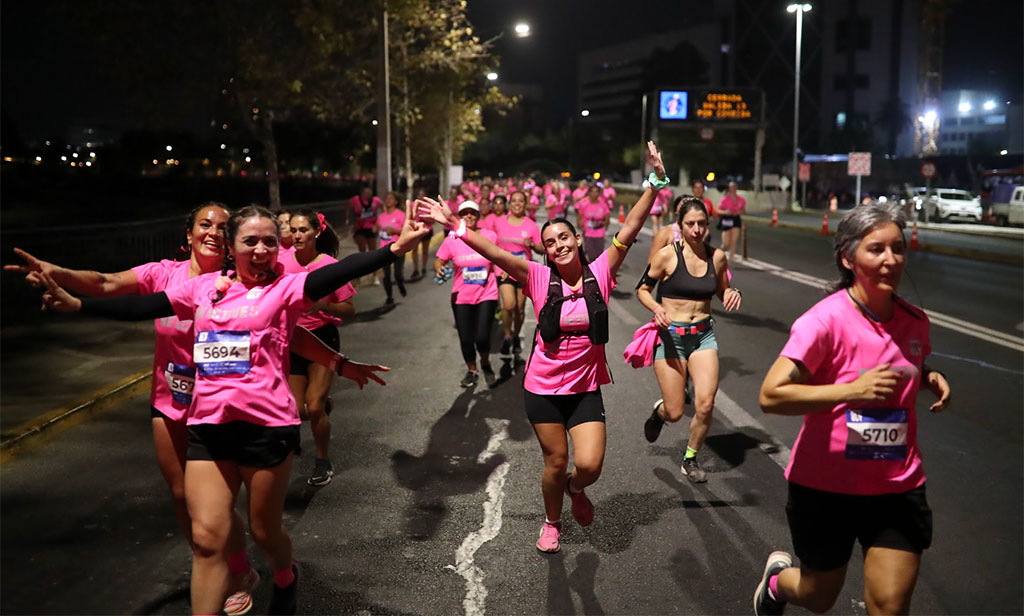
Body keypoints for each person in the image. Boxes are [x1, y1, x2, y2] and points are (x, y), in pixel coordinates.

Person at [39, 205, 426, 615]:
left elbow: (339, 272)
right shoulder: (203, 288)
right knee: (207, 540)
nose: (260, 249)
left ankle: (283, 574)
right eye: (250, 241)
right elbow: (142, 306)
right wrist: (79, 305)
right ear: (233, 246)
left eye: (269, 242)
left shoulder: (286, 289)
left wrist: (394, 249)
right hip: (209, 427)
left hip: (267, 428)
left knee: (263, 530)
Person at [417, 141, 668, 554]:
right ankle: (552, 523)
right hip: (543, 388)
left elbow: (630, 230)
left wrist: (655, 185)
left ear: (577, 240)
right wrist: (456, 226)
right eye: (550, 242)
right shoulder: (536, 276)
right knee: (554, 461)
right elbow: (495, 251)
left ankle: (576, 490)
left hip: (584, 387)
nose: (559, 245)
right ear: (546, 250)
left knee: (588, 465)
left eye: (564, 237)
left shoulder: (601, 271)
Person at [752, 202, 950, 616]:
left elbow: (904, 357)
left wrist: (928, 376)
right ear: (849, 257)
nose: (891, 259)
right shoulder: (824, 322)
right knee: (818, 596)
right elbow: (771, 395)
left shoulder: (916, 322)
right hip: (825, 489)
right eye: (876, 249)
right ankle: (777, 584)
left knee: (889, 608)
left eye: (898, 248)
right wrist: (850, 389)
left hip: (896, 485)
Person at [636, 198, 742, 483]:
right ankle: (659, 413)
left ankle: (690, 458)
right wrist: (657, 308)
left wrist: (732, 293)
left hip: (703, 337)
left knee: (705, 404)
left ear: (708, 225)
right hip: (671, 338)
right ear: (679, 225)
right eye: (690, 224)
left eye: (701, 224)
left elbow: (722, 289)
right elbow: (643, 289)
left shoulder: (716, 257)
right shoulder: (667, 256)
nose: (696, 230)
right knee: (675, 411)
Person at [281, 209, 356, 487]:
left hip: (323, 338)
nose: (297, 235)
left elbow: (350, 309)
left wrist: (324, 305)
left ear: (316, 233)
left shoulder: (328, 266)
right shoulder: (281, 263)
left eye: (303, 230)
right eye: (293, 230)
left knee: (313, 408)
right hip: (291, 339)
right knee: (296, 411)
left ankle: (323, 461)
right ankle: (324, 402)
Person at [433, 200, 499, 387]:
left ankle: (485, 363)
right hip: (461, 297)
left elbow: (498, 260)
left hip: (487, 294)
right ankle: (472, 370)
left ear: (478, 216)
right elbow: (439, 260)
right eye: (464, 213)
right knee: (466, 339)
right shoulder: (451, 239)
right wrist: (439, 268)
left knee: (482, 337)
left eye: (472, 213)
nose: (468, 216)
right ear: (459, 217)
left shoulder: (490, 236)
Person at [492, 190, 544, 356]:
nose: (517, 203)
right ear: (510, 203)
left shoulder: (531, 225)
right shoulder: (499, 222)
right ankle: (507, 335)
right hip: (504, 271)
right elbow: (490, 244)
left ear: (525, 203)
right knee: (509, 304)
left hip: (523, 272)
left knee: (520, 309)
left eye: (520, 201)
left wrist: (533, 245)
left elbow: (541, 248)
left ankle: (515, 336)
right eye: (514, 200)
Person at [374, 192, 407, 304]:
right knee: (386, 275)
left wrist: (394, 231)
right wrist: (375, 229)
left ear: (395, 202)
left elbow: (406, 232)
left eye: (390, 198)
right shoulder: (381, 217)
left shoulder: (400, 215)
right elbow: (378, 229)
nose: (387, 200)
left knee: (397, 274)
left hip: (398, 248)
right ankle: (389, 297)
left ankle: (401, 284)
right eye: (386, 198)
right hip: (384, 249)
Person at [576, 185, 611, 259]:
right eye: (592, 192)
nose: (594, 194)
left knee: (599, 256)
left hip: (600, 234)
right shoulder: (584, 204)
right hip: (588, 233)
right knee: (591, 255)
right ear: (589, 193)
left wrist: (601, 223)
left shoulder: (603, 205)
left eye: (596, 192)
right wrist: (581, 228)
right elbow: (579, 218)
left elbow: (607, 220)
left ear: (599, 193)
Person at [347, 186, 381, 254]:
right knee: (362, 247)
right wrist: (348, 219)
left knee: (372, 249)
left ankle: (371, 261)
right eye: (365, 192)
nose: (367, 194)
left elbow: (383, 208)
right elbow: (348, 207)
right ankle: (364, 260)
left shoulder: (376, 200)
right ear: (362, 193)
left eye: (369, 192)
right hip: (359, 226)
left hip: (372, 227)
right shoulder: (356, 199)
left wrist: (380, 221)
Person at [717, 181, 745, 261]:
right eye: (731, 187)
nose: (733, 189)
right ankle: (721, 251)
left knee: (734, 240)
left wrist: (738, 212)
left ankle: (731, 258)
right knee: (726, 243)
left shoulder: (741, 199)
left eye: (734, 187)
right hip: (726, 219)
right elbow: (718, 210)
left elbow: (743, 210)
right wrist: (726, 212)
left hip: (736, 219)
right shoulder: (725, 199)